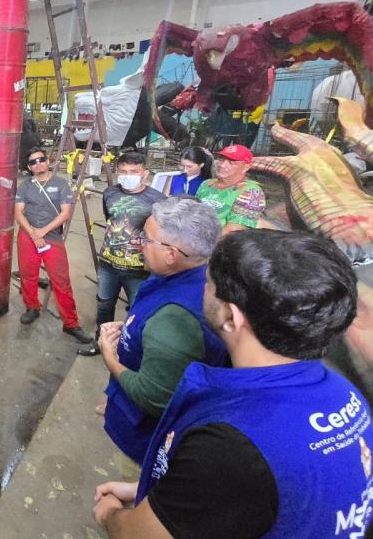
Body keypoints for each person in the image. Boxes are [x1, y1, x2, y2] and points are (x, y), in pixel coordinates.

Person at [94, 230, 373, 539]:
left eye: (207, 282)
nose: (201, 287)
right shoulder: (344, 395)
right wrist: (153, 491)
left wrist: (110, 514)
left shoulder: (231, 444)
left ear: (231, 318)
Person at [97, 197, 229, 465]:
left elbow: (153, 398)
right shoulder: (186, 276)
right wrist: (137, 327)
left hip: (146, 436)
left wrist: (110, 356)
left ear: (171, 254)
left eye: (145, 238)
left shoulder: (175, 320)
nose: (138, 243)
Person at [79, 152, 166, 356]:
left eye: (134, 172)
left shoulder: (158, 201)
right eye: (123, 171)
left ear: (144, 173)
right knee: (104, 304)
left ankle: (131, 348)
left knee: (138, 310)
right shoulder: (110, 192)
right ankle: (101, 342)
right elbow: (111, 218)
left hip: (139, 268)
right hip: (108, 262)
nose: (128, 176)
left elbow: (161, 233)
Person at [14, 148, 91, 344]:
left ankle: (71, 323)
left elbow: (65, 213)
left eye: (41, 159)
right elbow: (18, 213)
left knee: (61, 280)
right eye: (33, 162)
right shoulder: (25, 186)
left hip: (51, 237)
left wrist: (43, 232)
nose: (38, 163)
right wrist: (33, 233)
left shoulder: (61, 184)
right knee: (28, 275)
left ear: (47, 161)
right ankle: (32, 307)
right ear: (29, 168)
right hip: (28, 236)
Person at [195, 144, 265, 234]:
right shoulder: (207, 184)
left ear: (245, 167)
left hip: (218, 244)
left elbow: (233, 231)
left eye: (231, 162)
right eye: (221, 159)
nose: (222, 165)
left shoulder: (251, 192)